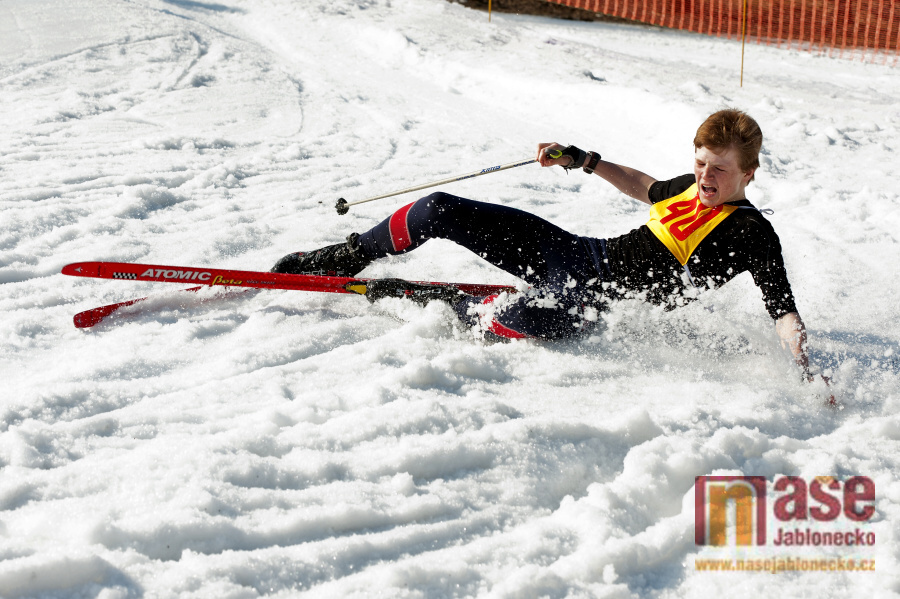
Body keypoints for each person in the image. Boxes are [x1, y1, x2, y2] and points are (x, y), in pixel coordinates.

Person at [273, 109, 827, 387]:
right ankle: (346, 257)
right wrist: (583, 160)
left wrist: (802, 363)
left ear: (749, 173)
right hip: (577, 257)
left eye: (719, 170)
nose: (705, 177)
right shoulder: (689, 184)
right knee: (438, 208)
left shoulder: (752, 234)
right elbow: (644, 186)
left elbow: (782, 309)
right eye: (701, 163)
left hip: (595, 306)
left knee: (509, 321)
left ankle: (429, 299)